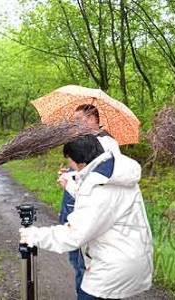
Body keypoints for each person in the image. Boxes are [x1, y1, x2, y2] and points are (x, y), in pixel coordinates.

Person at [20, 135, 153, 300]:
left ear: (79, 161)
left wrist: (35, 235)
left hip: (110, 268)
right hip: (131, 257)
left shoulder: (98, 186)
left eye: (69, 161)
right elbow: (103, 208)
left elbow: (75, 234)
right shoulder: (115, 172)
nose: (70, 166)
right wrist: (71, 184)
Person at [59, 104, 121, 293]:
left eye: (80, 119)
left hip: (89, 214)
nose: (75, 123)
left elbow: (105, 179)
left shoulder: (108, 144)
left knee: (85, 268)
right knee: (75, 260)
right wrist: (69, 173)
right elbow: (84, 170)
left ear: (94, 119)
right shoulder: (82, 140)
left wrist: (72, 181)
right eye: (74, 120)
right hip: (73, 208)